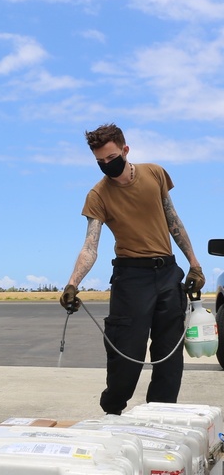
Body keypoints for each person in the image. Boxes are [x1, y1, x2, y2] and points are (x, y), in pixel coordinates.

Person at [60, 123, 203, 416]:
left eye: (111, 158)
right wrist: (72, 283)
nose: (107, 165)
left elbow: (173, 220)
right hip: (130, 278)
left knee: (169, 356)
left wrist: (195, 264)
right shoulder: (98, 195)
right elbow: (90, 245)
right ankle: (112, 412)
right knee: (127, 355)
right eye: (100, 162)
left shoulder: (155, 174)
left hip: (167, 272)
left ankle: (160, 416)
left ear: (125, 150)